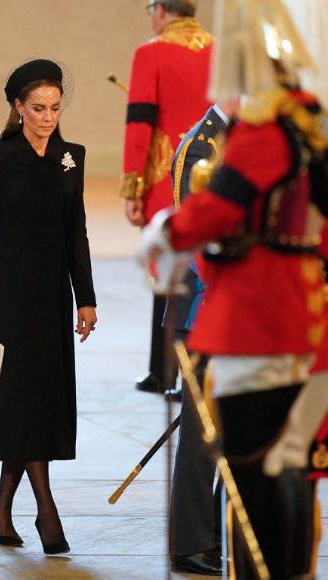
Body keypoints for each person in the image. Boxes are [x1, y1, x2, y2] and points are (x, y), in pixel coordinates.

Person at [138, 0, 327, 575]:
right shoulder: (310, 123)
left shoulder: (263, 134)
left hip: (257, 321)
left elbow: (208, 217)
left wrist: (161, 237)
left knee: (258, 471)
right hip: (307, 318)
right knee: (291, 464)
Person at [0, 59, 97, 555]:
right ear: (18, 107)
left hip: (54, 291)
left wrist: (87, 299)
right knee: (19, 393)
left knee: (42, 395)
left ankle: (1, 503)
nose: (47, 117)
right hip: (11, 290)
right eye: (37, 108)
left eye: (55, 108)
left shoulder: (71, 157)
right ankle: (47, 511)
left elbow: (75, 232)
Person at [120, 0, 213, 394]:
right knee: (201, 269)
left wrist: (132, 186)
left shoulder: (150, 52)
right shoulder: (218, 49)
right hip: (214, 174)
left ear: (160, 11)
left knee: (168, 269)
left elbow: (140, 123)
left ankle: (164, 372)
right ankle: (194, 370)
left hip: (167, 176)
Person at [166, 102, 231, 577]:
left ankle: (213, 530)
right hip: (204, 306)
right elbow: (197, 236)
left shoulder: (245, 138)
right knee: (200, 432)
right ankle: (190, 541)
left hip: (238, 307)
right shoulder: (201, 146)